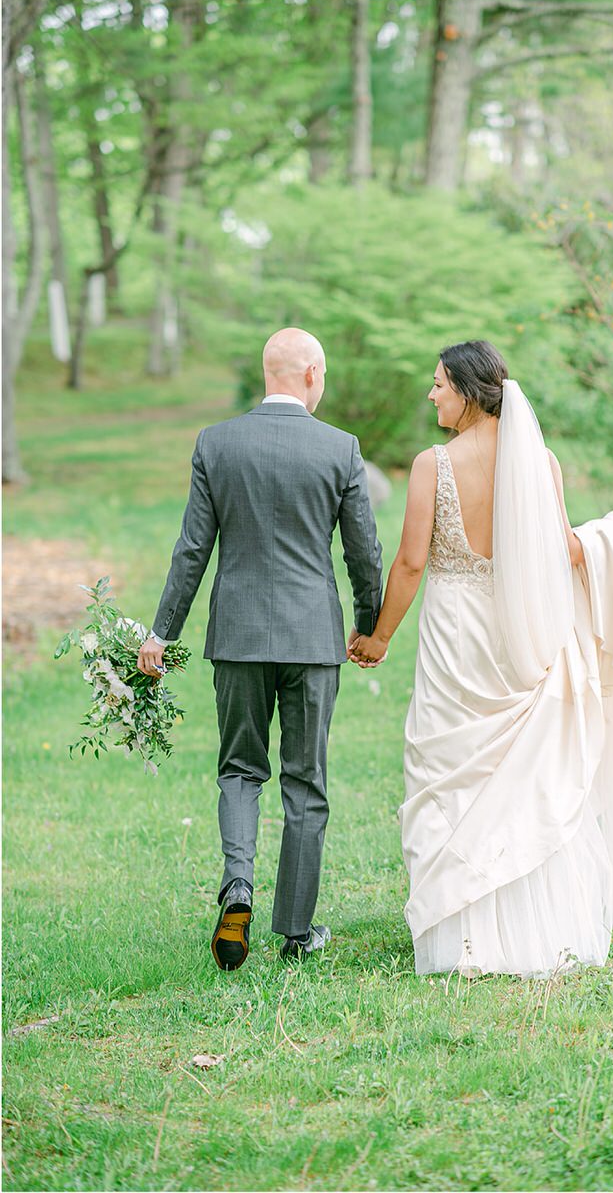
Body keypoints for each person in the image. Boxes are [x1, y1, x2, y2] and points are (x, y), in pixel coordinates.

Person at [349, 340, 613, 979]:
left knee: (450, 768)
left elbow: (412, 562)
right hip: (517, 630)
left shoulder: (432, 465)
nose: (431, 394)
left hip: (455, 636)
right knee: (524, 776)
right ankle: (542, 931)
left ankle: (461, 940)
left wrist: (380, 636)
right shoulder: (541, 462)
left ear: (469, 392)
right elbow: (561, 550)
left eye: (440, 383)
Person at [137, 328, 383, 971]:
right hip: (312, 639)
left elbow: (193, 549)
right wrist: (368, 626)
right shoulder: (341, 449)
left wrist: (161, 633)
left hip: (239, 638)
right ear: (312, 375)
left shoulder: (217, 443)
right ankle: (296, 931)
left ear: (267, 372)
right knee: (306, 781)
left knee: (241, 770)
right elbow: (363, 551)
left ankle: (238, 886)